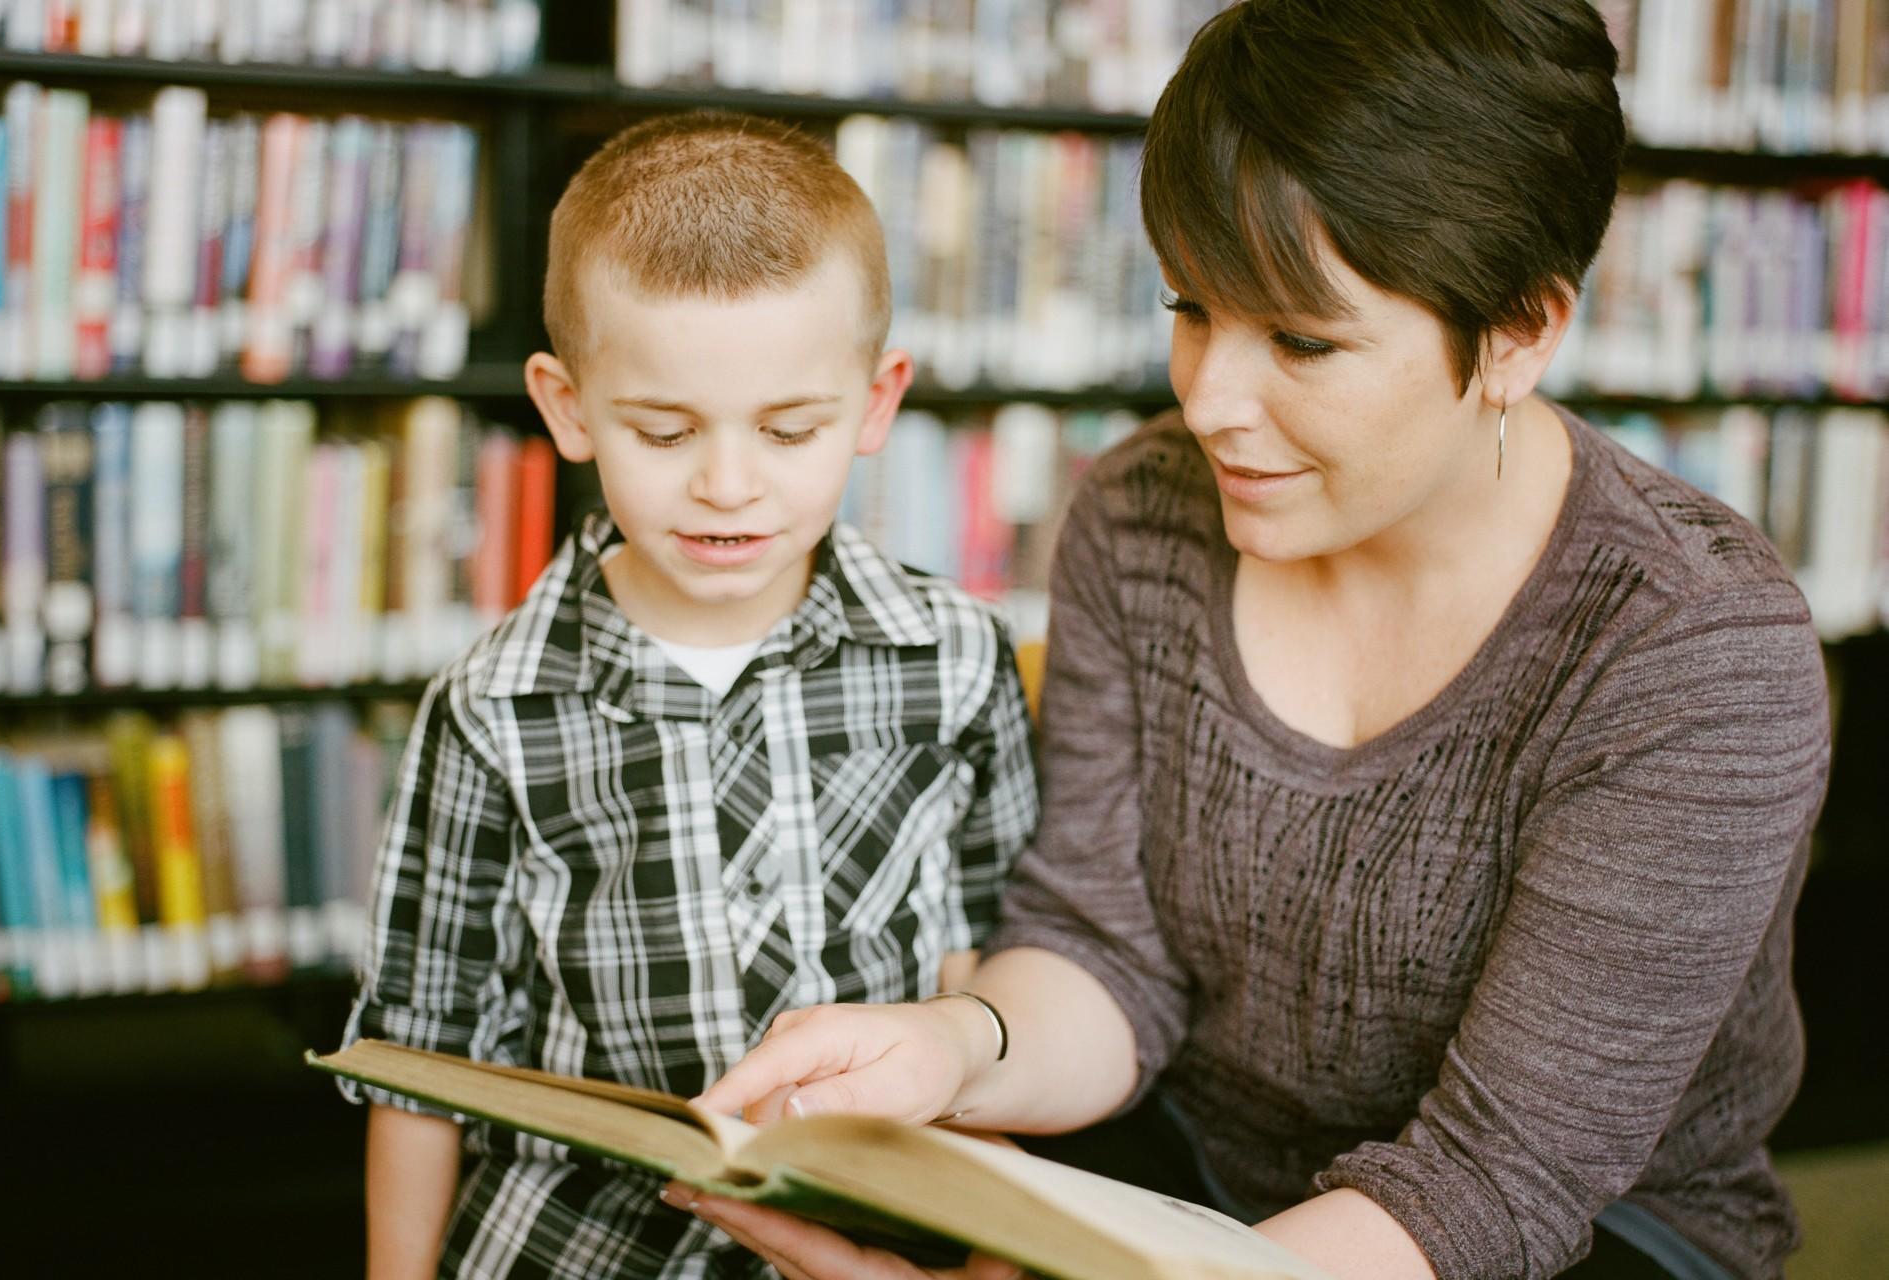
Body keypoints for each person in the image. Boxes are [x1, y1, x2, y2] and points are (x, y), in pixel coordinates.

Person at [675, 4, 1830, 1279]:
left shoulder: (1692, 648)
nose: (1211, 400)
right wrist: (955, 1045)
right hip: (1192, 1174)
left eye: (1300, 340)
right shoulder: (1142, 511)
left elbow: (1501, 1180)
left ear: (1518, 332)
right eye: (1191, 308)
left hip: (1587, 1233)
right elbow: (1106, 953)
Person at [339, 111, 1039, 1280]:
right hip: (578, 1245)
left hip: (876, 1241)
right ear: (567, 407)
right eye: (663, 430)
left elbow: (997, 978)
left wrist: (997, 1262)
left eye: (788, 427)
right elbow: (418, 1054)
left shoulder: (957, 657)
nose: (727, 484)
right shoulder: (493, 704)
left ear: (875, 403)